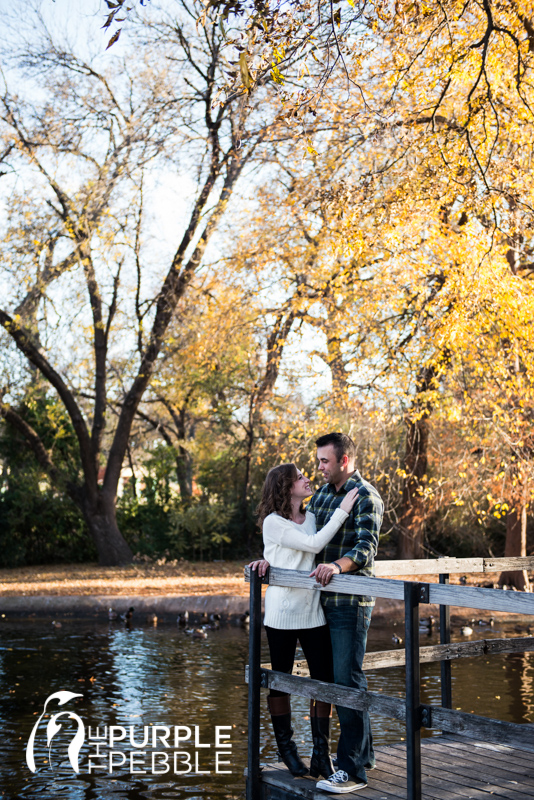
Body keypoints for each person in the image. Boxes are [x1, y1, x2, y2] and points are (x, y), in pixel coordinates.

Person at [249, 462, 359, 782]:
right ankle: (287, 750)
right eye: (300, 477)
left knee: (323, 680)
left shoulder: (310, 517)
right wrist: (343, 509)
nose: (306, 479)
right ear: (286, 487)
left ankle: (321, 756)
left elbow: (306, 550)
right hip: (282, 614)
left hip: (312, 611)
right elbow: (312, 545)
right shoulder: (273, 522)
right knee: (280, 679)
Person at [308, 431, 384, 794]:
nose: (319, 467)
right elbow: (304, 538)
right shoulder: (321, 494)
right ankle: (363, 754)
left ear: (345, 461)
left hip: (350, 604)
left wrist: (337, 567)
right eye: (319, 460)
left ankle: (352, 771)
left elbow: (365, 548)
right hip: (317, 604)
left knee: (346, 681)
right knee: (336, 679)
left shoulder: (367, 496)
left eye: (325, 461)